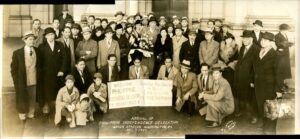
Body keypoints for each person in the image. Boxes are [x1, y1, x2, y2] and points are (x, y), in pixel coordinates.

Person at [253, 32, 282, 134]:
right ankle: (264, 126)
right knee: (261, 106)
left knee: (270, 108)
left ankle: (269, 130)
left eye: (265, 40)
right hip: (259, 85)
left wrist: (278, 89)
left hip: (270, 86)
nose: (262, 42)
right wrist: (253, 80)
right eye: (262, 40)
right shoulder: (259, 52)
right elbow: (255, 68)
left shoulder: (275, 55)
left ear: (270, 43)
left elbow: (278, 73)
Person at [10, 31, 41, 121]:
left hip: (34, 78)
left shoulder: (37, 51)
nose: (32, 41)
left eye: (33, 39)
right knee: (22, 96)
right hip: (22, 79)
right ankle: (22, 113)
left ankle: (31, 113)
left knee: (32, 96)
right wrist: (16, 80)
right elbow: (13, 69)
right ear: (25, 40)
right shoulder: (18, 53)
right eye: (30, 39)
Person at [38, 27, 67, 115]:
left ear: (54, 35)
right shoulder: (41, 46)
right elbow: (39, 61)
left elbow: (64, 58)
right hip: (46, 73)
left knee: (57, 89)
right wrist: (42, 72)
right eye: (48, 35)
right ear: (45, 37)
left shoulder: (60, 45)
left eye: (52, 34)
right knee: (46, 90)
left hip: (58, 73)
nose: (51, 36)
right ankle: (46, 105)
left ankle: (57, 104)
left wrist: (62, 70)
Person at [233, 30, 260, 123]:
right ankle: (241, 112)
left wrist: (252, 80)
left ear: (251, 39)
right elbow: (240, 62)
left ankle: (253, 116)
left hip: (249, 78)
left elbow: (256, 67)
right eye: (243, 38)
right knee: (241, 94)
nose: (244, 40)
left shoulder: (256, 49)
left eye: (246, 39)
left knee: (251, 97)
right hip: (240, 76)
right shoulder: (242, 48)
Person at [275, 23, 294, 88]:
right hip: (280, 55)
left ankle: (282, 83)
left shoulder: (285, 34)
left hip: (285, 54)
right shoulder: (277, 35)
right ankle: (279, 85)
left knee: (284, 69)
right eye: (286, 30)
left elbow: (283, 43)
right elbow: (277, 44)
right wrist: (286, 44)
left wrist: (289, 44)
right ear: (283, 29)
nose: (287, 31)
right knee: (280, 69)